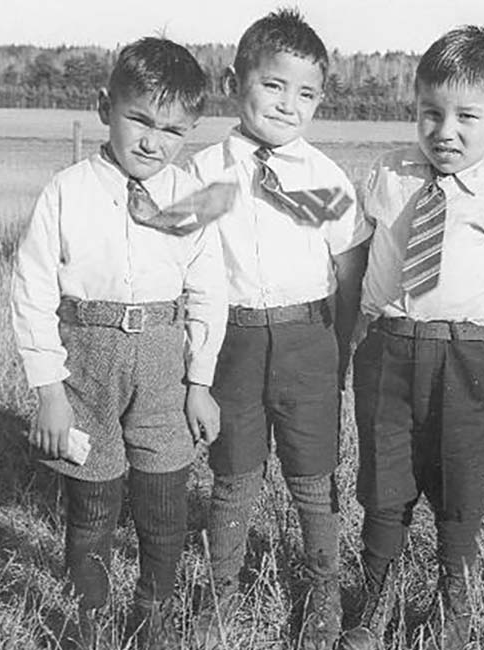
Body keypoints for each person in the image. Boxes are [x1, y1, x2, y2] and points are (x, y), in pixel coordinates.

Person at [337, 26, 484, 650]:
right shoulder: (387, 174)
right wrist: (352, 331)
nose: (445, 131)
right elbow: (357, 257)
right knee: (384, 482)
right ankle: (375, 602)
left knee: (461, 485)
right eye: (430, 113)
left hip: (464, 357)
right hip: (388, 348)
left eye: (467, 116)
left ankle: (451, 611)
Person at [11, 37, 228, 650]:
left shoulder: (192, 198)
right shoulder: (66, 191)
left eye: (173, 130)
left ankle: (152, 616)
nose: (154, 142)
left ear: (191, 131)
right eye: (140, 120)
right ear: (105, 106)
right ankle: (89, 620)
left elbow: (209, 292)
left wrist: (200, 383)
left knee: (165, 505)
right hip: (87, 361)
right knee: (92, 505)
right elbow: (31, 290)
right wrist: (50, 393)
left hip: (163, 361)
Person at [186, 8, 370, 650]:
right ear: (234, 82)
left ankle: (324, 595)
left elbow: (350, 270)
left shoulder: (324, 178)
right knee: (233, 476)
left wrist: (338, 350)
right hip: (232, 342)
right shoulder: (205, 173)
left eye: (307, 93)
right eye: (273, 85)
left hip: (307, 341)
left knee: (313, 478)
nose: (289, 104)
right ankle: (219, 598)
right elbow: (180, 257)